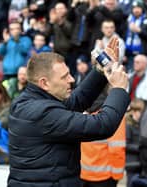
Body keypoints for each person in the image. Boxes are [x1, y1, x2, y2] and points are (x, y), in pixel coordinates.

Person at [8, 37, 130, 186]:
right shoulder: (43, 112)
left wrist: (99, 70)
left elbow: (76, 101)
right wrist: (118, 89)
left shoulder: (29, 101)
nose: (72, 79)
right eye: (64, 77)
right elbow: (102, 125)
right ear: (44, 83)